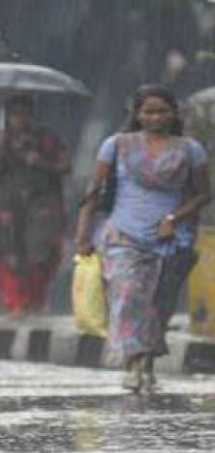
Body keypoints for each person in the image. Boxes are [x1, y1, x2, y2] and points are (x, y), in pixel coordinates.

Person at [75, 84, 210, 393]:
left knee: (158, 305)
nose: (155, 117)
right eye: (148, 111)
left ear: (174, 113)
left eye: (162, 111)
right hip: (123, 235)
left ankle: (147, 363)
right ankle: (132, 362)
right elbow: (93, 193)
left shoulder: (191, 150)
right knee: (129, 297)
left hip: (171, 240)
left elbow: (204, 193)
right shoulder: (116, 145)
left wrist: (175, 219)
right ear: (136, 114)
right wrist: (82, 234)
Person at [0, 95, 71, 317]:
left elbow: (65, 165)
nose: (19, 120)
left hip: (41, 202)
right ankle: (15, 303)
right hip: (7, 203)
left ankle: (36, 301)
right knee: (8, 252)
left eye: (23, 114)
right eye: (14, 115)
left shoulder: (47, 138)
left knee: (40, 252)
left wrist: (42, 163)